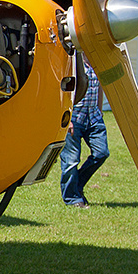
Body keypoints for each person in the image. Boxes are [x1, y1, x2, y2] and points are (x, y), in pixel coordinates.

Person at [60, 58, 107, 208]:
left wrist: (99, 110)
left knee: (102, 153)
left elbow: (100, 88)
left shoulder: (98, 63)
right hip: (75, 117)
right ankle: (72, 198)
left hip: (93, 117)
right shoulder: (72, 65)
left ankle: (76, 185)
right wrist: (67, 119)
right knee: (71, 160)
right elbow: (63, 92)